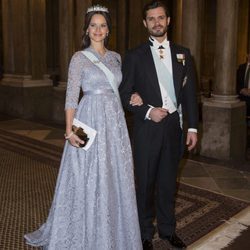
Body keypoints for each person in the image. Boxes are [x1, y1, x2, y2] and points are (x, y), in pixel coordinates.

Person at [25, 5, 143, 250]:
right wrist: (69, 131)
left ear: (108, 29)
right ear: (86, 29)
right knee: (85, 174)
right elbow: (71, 96)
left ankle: (112, 229)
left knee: (113, 173)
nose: (98, 30)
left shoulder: (116, 57)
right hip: (88, 117)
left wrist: (135, 96)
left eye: (102, 25)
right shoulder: (79, 58)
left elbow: (120, 91)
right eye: (93, 25)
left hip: (114, 121)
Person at [119, 1, 198, 249]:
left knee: (167, 183)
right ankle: (144, 235)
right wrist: (147, 111)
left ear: (168, 20)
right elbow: (123, 95)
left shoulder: (183, 53)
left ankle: (167, 230)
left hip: (174, 129)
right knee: (145, 184)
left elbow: (190, 95)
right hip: (147, 130)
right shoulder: (134, 56)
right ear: (145, 23)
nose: (157, 22)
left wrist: (193, 128)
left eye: (160, 18)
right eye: (151, 19)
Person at [237, 53, 250, 117]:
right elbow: (236, 81)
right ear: (247, 55)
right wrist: (241, 90)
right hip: (242, 96)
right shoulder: (241, 67)